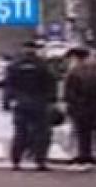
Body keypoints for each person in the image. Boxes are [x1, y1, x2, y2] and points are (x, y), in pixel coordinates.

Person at [4, 40, 58, 171]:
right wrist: (51, 100)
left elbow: (9, 85)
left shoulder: (15, 65)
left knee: (20, 133)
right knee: (42, 134)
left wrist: (7, 102)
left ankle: (16, 161)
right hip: (39, 103)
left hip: (21, 103)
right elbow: (51, 83)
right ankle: (40, 161)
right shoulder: (42, 65)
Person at [63, 47, 96, 167]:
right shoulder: (93, 70)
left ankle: (83, 154)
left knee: (82, 132)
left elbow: (69, 92)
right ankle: (87, 154)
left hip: (80, 107)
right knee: (88, 132)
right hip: (92, 106)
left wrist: (71, 105)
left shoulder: (74, 71)